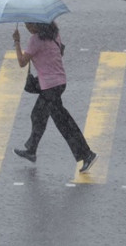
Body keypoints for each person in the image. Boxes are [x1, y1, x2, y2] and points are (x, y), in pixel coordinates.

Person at [12, 22, 98, 173]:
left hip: (50, 87)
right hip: (59, 83)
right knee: (43, 116)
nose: (28, 28)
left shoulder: (35, 40)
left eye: (29, 25)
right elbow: (58, 53)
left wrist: (17, 42)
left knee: (62, 122)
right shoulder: (54, 34)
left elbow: (21, 62)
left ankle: (87, 154)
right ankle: (32, 150)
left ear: (37, 25)